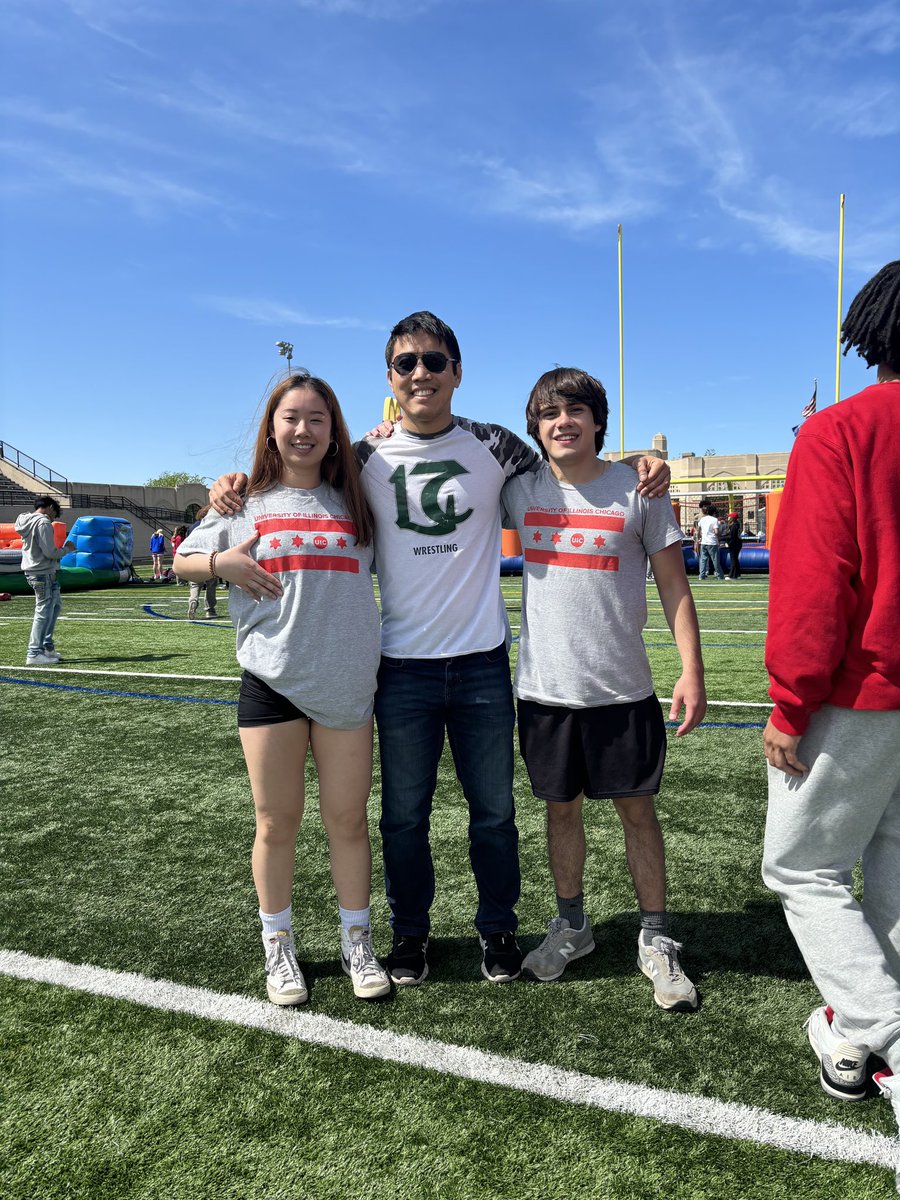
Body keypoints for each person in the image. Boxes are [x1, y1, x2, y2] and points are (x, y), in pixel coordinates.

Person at [210, 311, 671, 987]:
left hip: (482, 663)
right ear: (390, 378)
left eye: (433, 361)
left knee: (494, 815)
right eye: (406, 363)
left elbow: (573, 466)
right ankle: (410, 936)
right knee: (402, 818)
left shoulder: (497, 447)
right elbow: (293, 479)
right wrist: (231, 486)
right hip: (398, 669)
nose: (420, 373)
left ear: (457, 371)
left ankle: (498, 931)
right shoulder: (360, 459)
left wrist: (639, 464)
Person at [176, 374, 390, 1004]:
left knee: (348, 820)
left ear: (334, 430)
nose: (303, 430)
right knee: (276, 822)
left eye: (317, 419)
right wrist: (222, 564)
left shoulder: (359, 502)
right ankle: (279, 946)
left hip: (348, 684)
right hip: (272, 683)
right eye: (291, 418)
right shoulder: (243, 502)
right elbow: (184, 559)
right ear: (272, 427)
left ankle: (357, 938)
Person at [501, 368, 706, 1009]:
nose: (563, 422)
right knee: (560, 813)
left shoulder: (637, 489)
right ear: (536, 426)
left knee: (637, 813)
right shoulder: (518, 489)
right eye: (549, 413)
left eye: (576, 411)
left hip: (623, 691)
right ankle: (572, 925)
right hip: (545, 692)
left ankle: (656, 935)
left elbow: (674, 584)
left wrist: (691, 669)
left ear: (597, 421)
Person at [761, 260, 900, 1176]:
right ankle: (854, 1036)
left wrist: (788, 702)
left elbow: (815, 583)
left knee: (801, 866)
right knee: (892, 854)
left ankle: (882, 1029)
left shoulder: (842, 431)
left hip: (864, 691)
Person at [15, 496, 75, 667]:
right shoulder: (42, 522)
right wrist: (67, 549)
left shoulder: (25, 520)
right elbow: (50, 552)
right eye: (54, 514)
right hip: (42, 572)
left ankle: (46, 647)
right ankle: (34, 652)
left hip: (41, 571)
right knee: (43, 611)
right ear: (49, 508)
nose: (53, 519)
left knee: (54, 607)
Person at [185, 507, 220, 620]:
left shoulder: (192, 527)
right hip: (208, 557)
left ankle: (193, 601)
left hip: (193, 558)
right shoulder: (211, 525)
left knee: (195, 584)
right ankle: (210, 609)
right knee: (211, 585)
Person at [695, 501, 724, 580]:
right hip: (712, 542)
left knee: (703, 560)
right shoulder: (714, 520)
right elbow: (716, 532)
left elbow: (698, 531)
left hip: (704, 542)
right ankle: (719, 575)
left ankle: (701, 575)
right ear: (714, 512)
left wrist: (699, 539)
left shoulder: (702, 519)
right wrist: (720, 535)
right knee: (715, 560)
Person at [725, 511, 742, 580]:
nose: (728, 517)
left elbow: (732, 536)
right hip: (737, 543)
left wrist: (721, 538)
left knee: (733, 559)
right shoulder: (736, 524)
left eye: (729, 516)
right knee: (735, 559)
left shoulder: (734, 525)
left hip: (734, 544)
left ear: (732, 518)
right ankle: (737, 574)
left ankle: (732, 575)